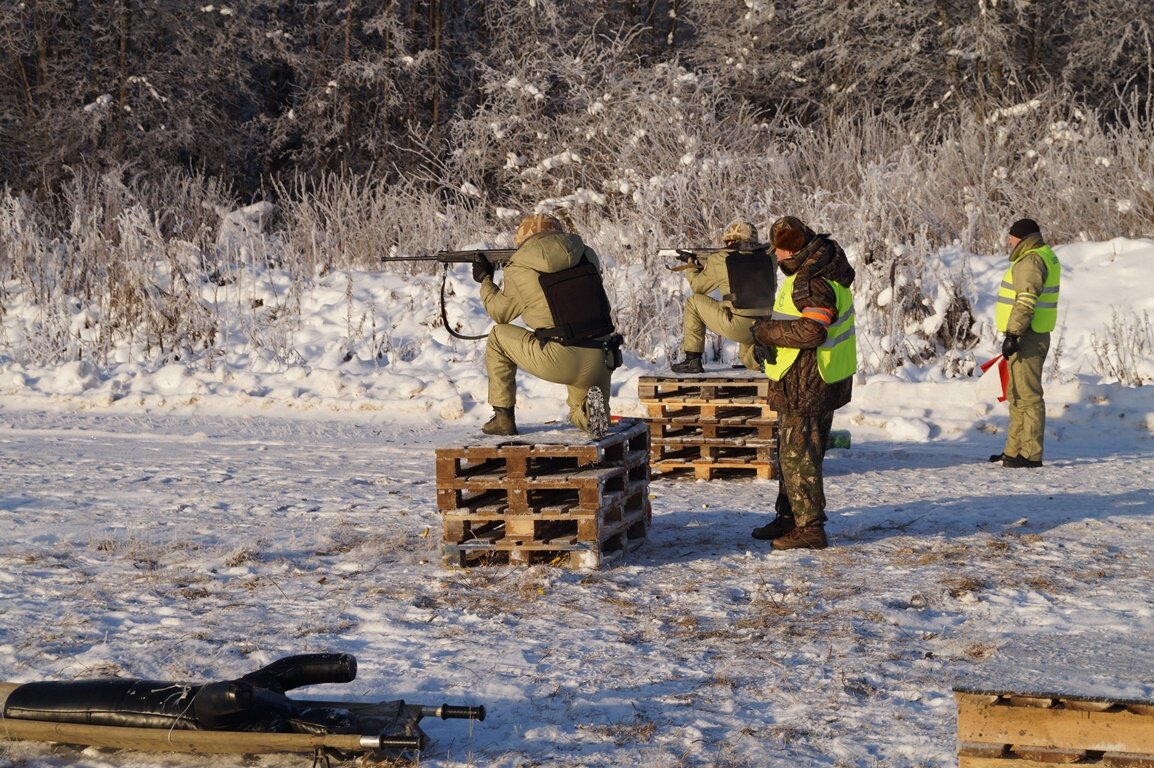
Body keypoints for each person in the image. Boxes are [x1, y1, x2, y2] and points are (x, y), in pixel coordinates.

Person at [749, 216, 856, 550]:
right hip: (820, 378)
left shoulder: (810, 281)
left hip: (806, 380)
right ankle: (789, 517)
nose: (777, 258)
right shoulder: (825, 268)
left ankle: (809, 528)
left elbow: (813, 330)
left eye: (778, 251)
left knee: (798, 457)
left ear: (790, 249)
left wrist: (765, 331)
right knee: (794, 453)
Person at [474, 213, 619, 438]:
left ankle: (503, 418)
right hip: (601, 355)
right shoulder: (587, 255)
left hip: (560, 358)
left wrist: (485, 279)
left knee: (498, 337)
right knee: (579, 412)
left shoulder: (520, 267)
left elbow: (500, 313)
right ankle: (591, 417)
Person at [988, 218, 1061, 468]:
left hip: (1027, 336)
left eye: (1011, 237)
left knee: (1027, 396)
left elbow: (1026, 300)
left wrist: (1013, 334)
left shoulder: (1031, 260)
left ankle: (1030, 454)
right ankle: (1014, 449)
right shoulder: (1041, 255)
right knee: (1016, 394)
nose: (1009, 241)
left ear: (1023, 238)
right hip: (1028, 334)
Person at [670, 220, 775, 373]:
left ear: (730, 240)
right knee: (747, 358)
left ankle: (692, 360)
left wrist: (692, 264)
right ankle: (760, 356)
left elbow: (698, 287)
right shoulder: (770, 257)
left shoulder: (721, 258)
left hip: (738, 324)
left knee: (693, 302)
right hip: (766, 324)